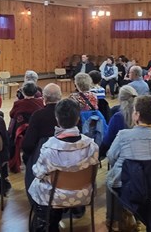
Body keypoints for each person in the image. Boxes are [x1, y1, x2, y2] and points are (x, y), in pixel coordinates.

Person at [29, 98, 99, 232]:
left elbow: (37, 172)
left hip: (54, 196)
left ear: (57, 119)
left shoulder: (49, 147)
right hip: (84, 193)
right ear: (78, 119)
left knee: (39, 185)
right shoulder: (92, 146)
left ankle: (49, 224)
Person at [106, 95, 151, 231]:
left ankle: (114, 219)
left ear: (136, 115)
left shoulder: (124, 135)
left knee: (111, 178)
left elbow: (111, 157)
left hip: (127, 185)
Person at [22, 83, 62, 163]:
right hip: (63, 156)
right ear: (60, 97)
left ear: (44, 98)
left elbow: (28, 144)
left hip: (43, 157)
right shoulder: (66, 113)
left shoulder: (38, 115)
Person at [100, 86, 137, 157]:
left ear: (120, 98)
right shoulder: (142, 113)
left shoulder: (117, 116)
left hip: (121, 154)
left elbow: (108, 140)